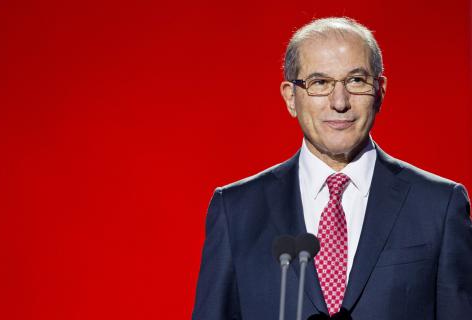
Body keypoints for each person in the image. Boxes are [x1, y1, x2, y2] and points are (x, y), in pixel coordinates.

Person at [192, 17, 472, 320]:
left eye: (356, 81)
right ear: (290, 97)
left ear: (380, 91)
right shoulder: (237, 211)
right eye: (319, 83)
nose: (339, 102)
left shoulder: (438, 206)